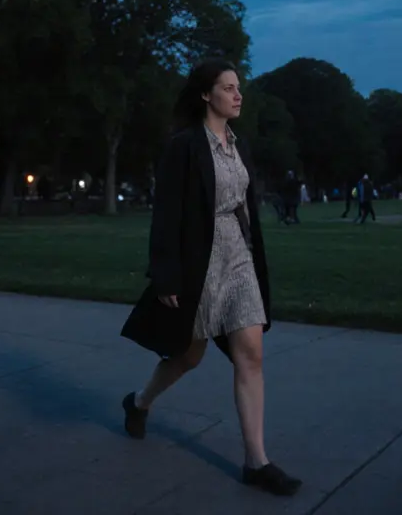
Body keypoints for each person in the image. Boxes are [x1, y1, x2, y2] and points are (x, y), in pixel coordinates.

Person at [119, 59, 301, 496]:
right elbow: (166, 215)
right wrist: (165, 277)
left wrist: (253, 252)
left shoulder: (240, 147)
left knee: (250, 354)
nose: (238, 95)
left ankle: (256, 461)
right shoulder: (183, 146)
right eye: (228, 88)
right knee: (188, 356)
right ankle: (139, 402)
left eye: (238, 87)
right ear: (206, 95)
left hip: (237, 255)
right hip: (197, 261)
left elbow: (244, 206)